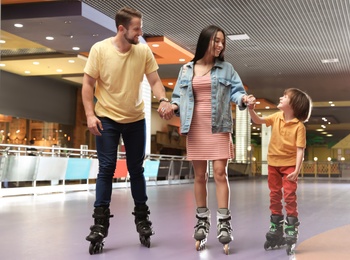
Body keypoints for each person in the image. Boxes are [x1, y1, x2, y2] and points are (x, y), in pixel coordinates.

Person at [82, 7, 173, 254]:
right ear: (121, 29)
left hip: (135, 119)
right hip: (107, 118)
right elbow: (88, 84)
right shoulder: (100, 50)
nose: (140, 33)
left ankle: (142, 218)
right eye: (136, 29)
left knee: (136, 169)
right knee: (106, 168)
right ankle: (100, 224)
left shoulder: (142, 50)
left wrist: (163, 100)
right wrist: (90, 115)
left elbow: (154, 81)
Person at [170, 25, 254, 254]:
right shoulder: (187, 69)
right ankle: (201, 220)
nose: (220, 45)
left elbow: (236, 92)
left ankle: (224, 222)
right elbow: (177, 97)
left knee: (219, 172)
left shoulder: (227, 68)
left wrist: (244, 99)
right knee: (198, 175)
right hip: (195, 126)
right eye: (216, 40)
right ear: (205, 41)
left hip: (219, 126)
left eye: (222, 42)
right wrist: (172, 107)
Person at [247, 88, 312, 255]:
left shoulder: (299, 127)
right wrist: (251, 109)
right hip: (273, 163)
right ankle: (276, 227)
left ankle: (291, 227)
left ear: (293, 105)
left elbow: (300, 150)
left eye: (285, 97)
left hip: (289, 165)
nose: (280, 97)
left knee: (289, 196)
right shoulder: (276, 117)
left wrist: (297, 169)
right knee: (274, 195)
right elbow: (258, 121)